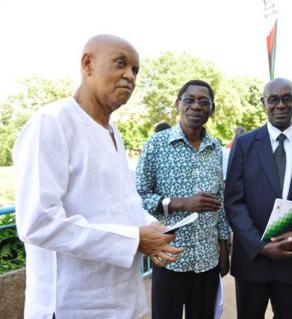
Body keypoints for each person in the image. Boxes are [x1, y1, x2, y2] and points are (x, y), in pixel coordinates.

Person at [13, 34, 183, 319]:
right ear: (87, 63)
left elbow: (123, 204)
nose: (130, 76)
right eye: (120, 63)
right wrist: (135, 241)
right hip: (71, 306)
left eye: (135, 70)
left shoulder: (112, 132)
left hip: (118, 301)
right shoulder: (52, 123)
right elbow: (38, 222)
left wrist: (153, 228)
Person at [225, 77, 292, 319]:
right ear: (263, 102)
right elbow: (233, 201)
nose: (280, 105)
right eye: (273, 99)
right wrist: (260, 246)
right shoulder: (243, 145)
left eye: (286, 98)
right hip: (253, 260)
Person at [136, 79, 230, 319]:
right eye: (189, 100)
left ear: (212, 109)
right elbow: (139, 198)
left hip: (207, 262)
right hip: (169, 258)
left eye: (204, 101)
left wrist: (223, 249)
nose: (196, 106)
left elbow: (219, 203)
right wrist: (182, 203)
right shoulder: (156, 145)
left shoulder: (216, 147)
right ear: (178, 104)